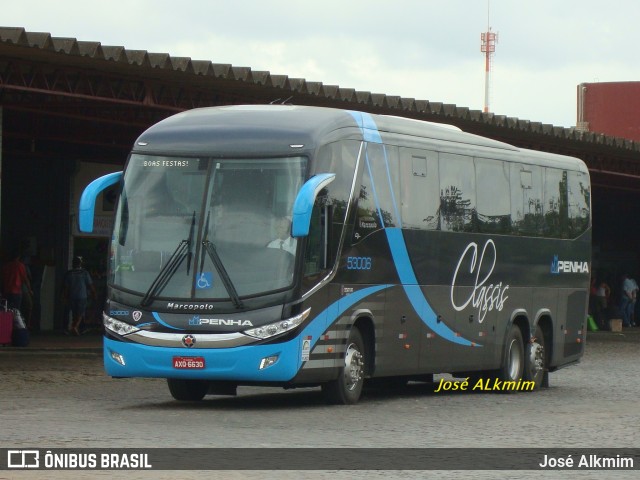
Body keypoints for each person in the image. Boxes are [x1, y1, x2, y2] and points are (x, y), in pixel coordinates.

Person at [61, 256, 97, 335]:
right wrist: (94, 294)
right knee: (81, 312)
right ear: (80, 264)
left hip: (72, 296)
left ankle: (75, 328)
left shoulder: (69, 274)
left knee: (75, 313)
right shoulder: (84, 273)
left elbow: (66, 288)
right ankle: (76, 326)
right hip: (82, 296)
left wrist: (64, 297)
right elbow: (90, 285)